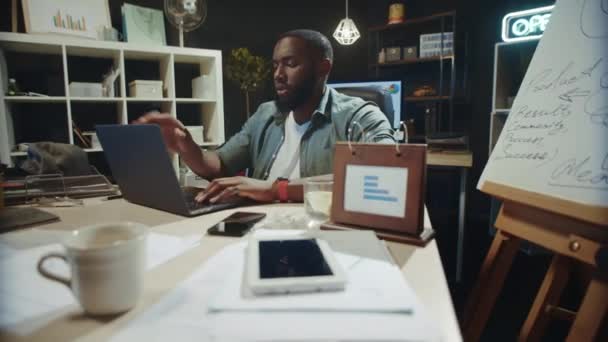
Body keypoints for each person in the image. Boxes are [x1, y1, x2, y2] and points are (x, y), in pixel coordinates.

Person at [137, 29, 394, 204]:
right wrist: (186, 145)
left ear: (323, 68)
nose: (278, 74)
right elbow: (219, 165)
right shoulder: (265, 115)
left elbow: (380, 175)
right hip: (255, 226)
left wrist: (276, 189)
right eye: (275, 65)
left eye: (290, 64)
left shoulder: (359, 115)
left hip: (317, 231)